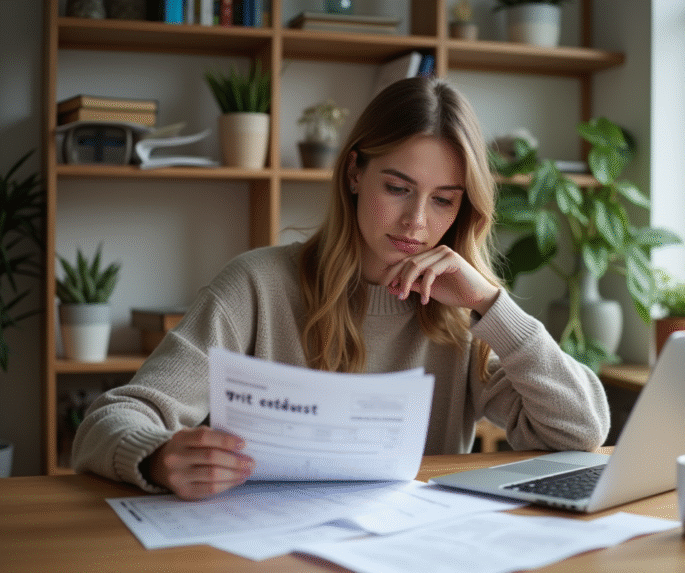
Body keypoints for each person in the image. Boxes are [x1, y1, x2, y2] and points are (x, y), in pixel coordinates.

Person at [72, 77, 610, 500]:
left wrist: (493, 305)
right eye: (398, 188)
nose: (416, 222)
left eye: (444, 199)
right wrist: (158, 457)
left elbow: (582, 432)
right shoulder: (256, 286)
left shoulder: (463, 314)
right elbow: (107, 422)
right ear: (354, 173)